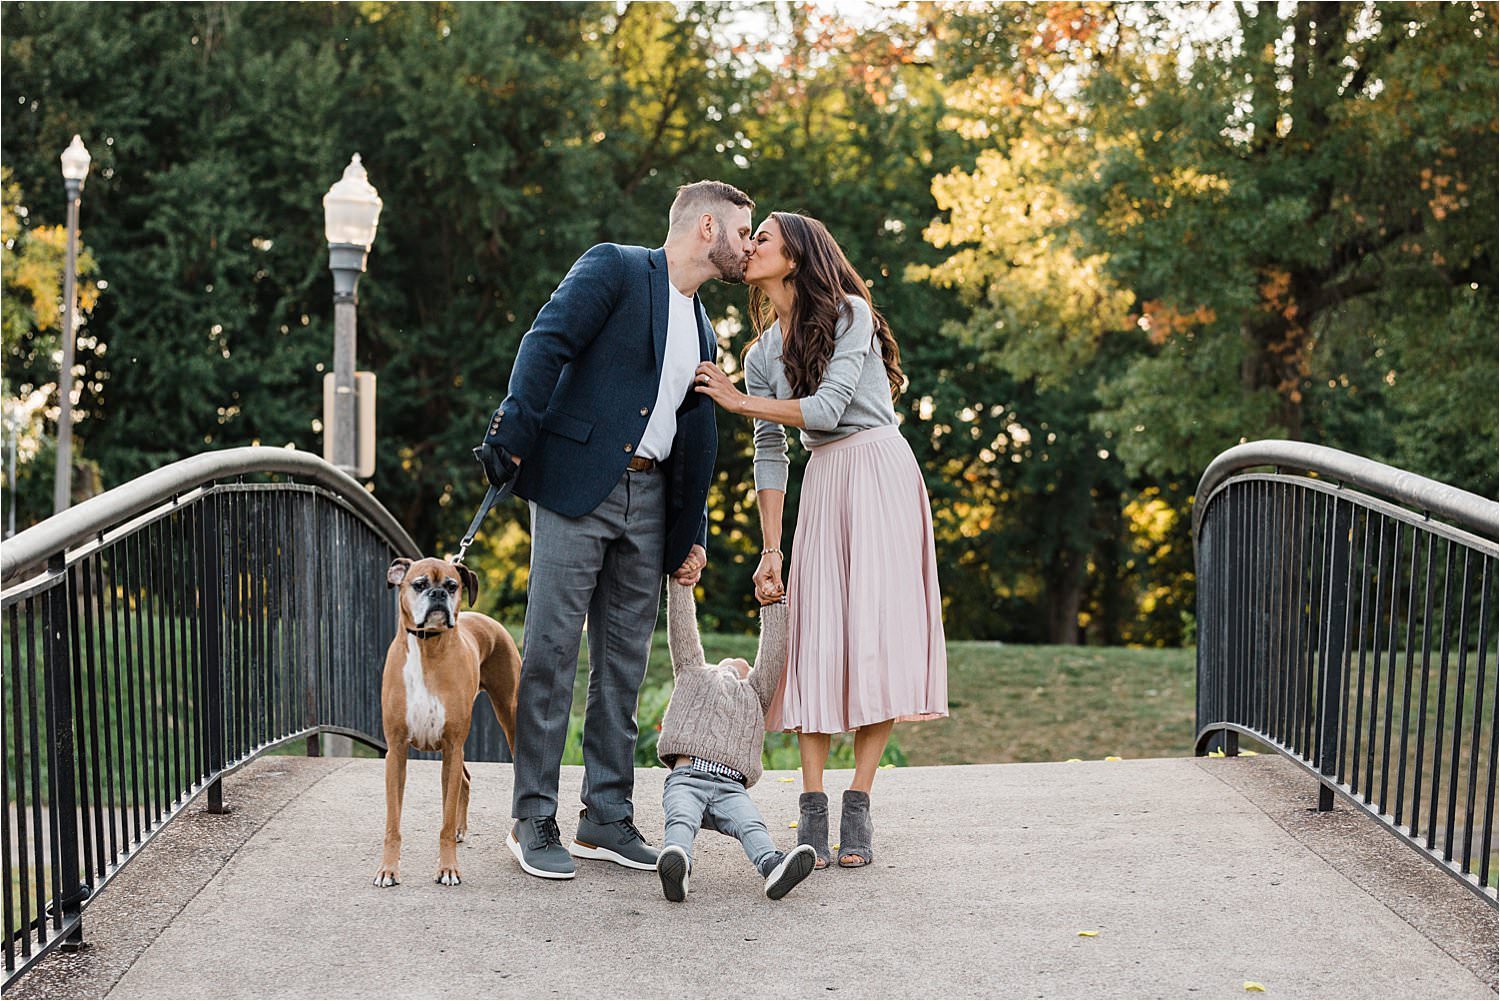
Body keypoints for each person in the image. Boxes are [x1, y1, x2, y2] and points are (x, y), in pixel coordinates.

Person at [475, 180, 754, 880]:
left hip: (652, 498)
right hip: (577, 486)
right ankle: (532, 815)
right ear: (708, 227)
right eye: (745, 234)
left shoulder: (706, 329)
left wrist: (692, 532)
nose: (749, 248)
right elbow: (547, 340)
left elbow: (697, 437)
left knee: (624, 666)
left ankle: (605, 813)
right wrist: (512, 432)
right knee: (551, 653)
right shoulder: (617, 267)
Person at [692, 211, 947, 870]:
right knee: (816, 640)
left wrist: (738, 402)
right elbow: (770, 452)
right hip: (827, 483)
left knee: (875, 637)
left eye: (763, 238)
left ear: (797, 255)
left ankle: (857, 800)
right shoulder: (756, 357)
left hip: (880, 471)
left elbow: (831, 409)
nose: (749, 247)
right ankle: (811, 804)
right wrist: (770, 549)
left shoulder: (851, 314)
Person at [654, 579, 818, 902]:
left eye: (746, 664)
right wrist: (681, 584)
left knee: (751, 824)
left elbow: (772, 652)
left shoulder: (755, 694)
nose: (739, 662)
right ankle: (678, 865)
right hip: (687, 778)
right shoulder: (693, 673)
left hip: (731, 788)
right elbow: (682, 628)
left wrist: (772, 604)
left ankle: (773, 865)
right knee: (681, 818)